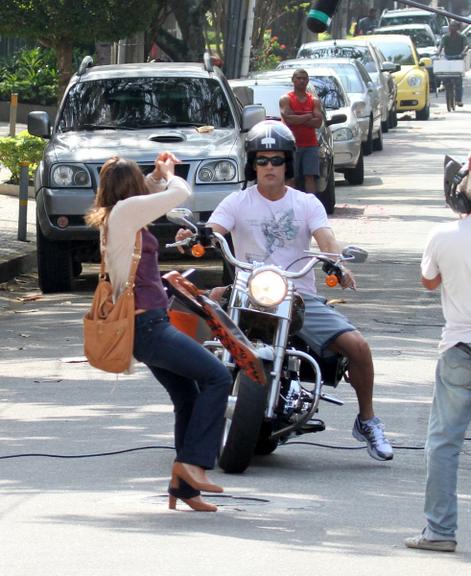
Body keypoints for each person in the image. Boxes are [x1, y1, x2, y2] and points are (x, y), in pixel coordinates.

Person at [177, 120, 394, 462]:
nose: (269, 167)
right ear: (252, 164)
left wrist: (337, 261)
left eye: (276, 160)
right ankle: (195, 415)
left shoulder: (307, 204)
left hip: (297, 297)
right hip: (247, 293)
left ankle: (367, 420)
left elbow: (325, 239)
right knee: (190, 324)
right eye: (261, 160)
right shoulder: (236, 201)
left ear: (288, 164)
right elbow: (214, 229)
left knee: (358, 346)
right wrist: (196, 236)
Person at [85, 152, 232, 512]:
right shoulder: (125, 214)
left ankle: (183, 487)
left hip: (148, 324)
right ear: (132, 190)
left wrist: (152, 175)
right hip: (148, 326)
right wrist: (169, 174)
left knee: (189, 395)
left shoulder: (118, 215)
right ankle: (191, 464)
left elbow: (147, 196)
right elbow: (180, 194)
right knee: (217, 378)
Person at [405, 156, 471, 552]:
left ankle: (440, 532)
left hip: (460, 348)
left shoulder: (443, 236)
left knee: (444, 443)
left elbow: (430, 281)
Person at [279, 68, 323, 194]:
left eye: (304, 78)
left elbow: (318, 122)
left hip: (310, 145)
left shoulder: (313, 100)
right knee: (290, 177)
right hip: (292, 145)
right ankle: (289, 205)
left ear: (308, 81)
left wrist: (297, 117)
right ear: (293, 80)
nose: (301, 81)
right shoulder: (286, 99)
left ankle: (311, 205)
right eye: (299, 78)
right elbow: (288, 120)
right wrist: (308, 116)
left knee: (310, 177)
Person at [437, 20, 468, 106]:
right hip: (448, 58)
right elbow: (441, 45)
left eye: (454, 26)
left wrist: (463, 52)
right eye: (451, 27)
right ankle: (443, 84)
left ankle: (458, 100)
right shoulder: (445, 37)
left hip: (458, 58)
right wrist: (438, 52)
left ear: (457, 28)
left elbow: (466, 46)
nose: (452, 28)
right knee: (444, 74)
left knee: (458, 80)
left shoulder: (462, 37)